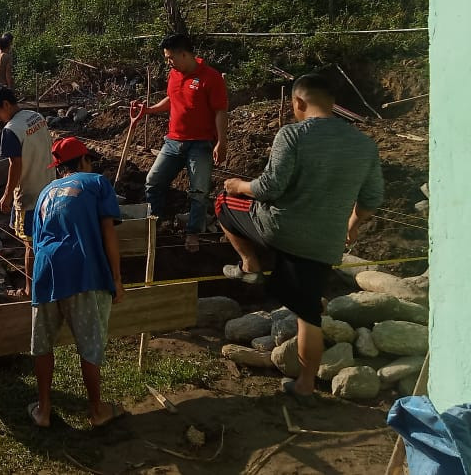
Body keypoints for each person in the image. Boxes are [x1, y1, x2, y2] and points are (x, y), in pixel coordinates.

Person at [216, 73, 383, 403]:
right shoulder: (364, 144)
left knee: (222, 205)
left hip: (281, 229)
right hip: (324, 242)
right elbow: (372, 199)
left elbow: (269, 188)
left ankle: (249, 264)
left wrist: (239, 186)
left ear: (298, 102)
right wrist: (350, 226)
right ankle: (306, 385)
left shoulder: (292, 134)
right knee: (309, 315)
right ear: (333, 105)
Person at [28, 137, 125, 429]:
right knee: (89, 344)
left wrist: (31, 281)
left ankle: (43, 410)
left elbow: (33, 245)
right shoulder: (96, 183)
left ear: (59, 169)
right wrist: (117, 280)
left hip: (46, 272)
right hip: (83, 272)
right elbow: (109, 233)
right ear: (83, 160)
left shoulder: (45, 192)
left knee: (43, 344)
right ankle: (97, 410)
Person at [131, 33, 228, 252]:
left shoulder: (210, 78)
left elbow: (221, 111)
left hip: (201, 143)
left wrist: (221, 142)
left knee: (199, 191)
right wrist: (149, 110)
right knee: (153, 181)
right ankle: (154, 224)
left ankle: (194, 233)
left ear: (184, 54)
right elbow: (172, 99)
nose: (168, 62)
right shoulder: (174, 75)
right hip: (173, 141)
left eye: (170, 57)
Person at [0, 84, 55, 299]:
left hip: (29, 193)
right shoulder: (35, 116)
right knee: (46, 237)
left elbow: (15, 165)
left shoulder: (11, 130)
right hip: (49, 186)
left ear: (6, 104)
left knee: (29, 244)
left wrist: (7, 194)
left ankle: (29, 289)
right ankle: (50, 279)